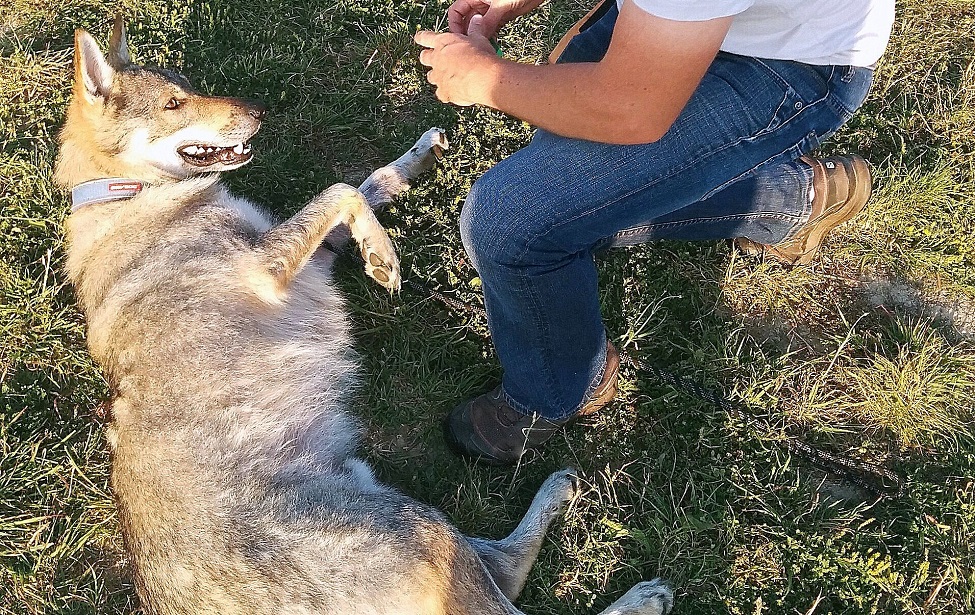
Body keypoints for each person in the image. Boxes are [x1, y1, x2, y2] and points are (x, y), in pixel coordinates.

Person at [414, 0, 896, 465]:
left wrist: (485, 78)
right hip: (697, 24)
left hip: (786, 60)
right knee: (569, 130)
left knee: (512, 221)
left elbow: (628, 108)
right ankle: (788, 200)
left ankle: (558, 388)